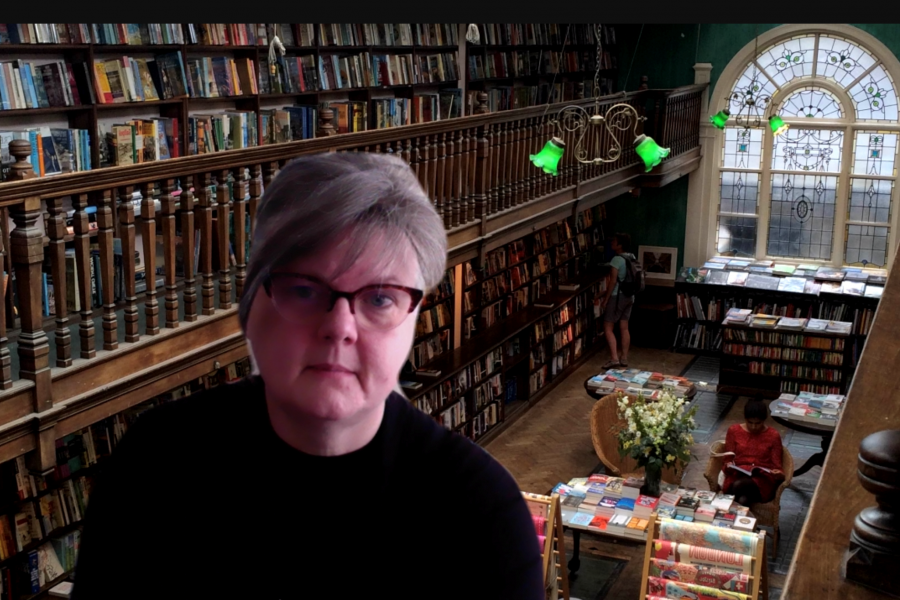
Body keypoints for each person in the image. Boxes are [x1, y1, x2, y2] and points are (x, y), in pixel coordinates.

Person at [71, 153, 544, 600]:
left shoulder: (483, 514)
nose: (340, 328)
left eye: (380, 298)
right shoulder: (153, 465)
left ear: (413, 319)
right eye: (303, 290)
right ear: (251, 307)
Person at [720, 398, 786, 506]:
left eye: (758, 423)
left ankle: (723, 507)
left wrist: (778, 474)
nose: (753, 427)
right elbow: (727, 459)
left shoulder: (773, 436)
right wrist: (729, 466)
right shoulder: (734, 431)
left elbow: (777, 466)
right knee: (743, 500)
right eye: (750, 422)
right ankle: (737, 514)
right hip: (737, 475)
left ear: (764, 420)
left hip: (762, 480)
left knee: (738, 485)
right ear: (745, 419)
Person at [599, 232, 635, 369]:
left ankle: (614, 358)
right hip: (629, 296)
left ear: (620, 245)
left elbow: (613, 281)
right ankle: (624, 358)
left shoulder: (616, 260)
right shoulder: (631, 257)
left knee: (608, 327)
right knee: (624, 327)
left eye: (614, 241)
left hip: (617, 297)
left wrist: (606, 299)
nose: (611, 243)